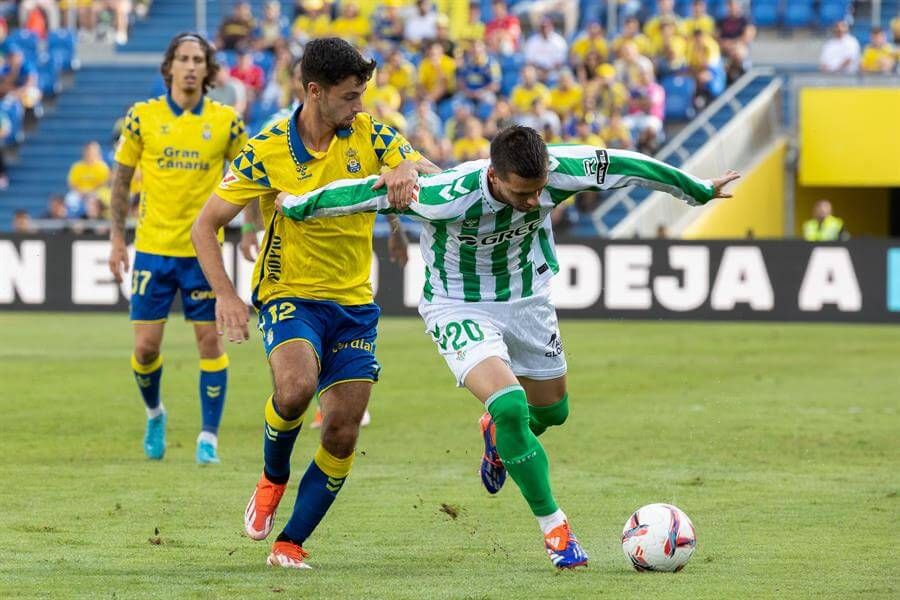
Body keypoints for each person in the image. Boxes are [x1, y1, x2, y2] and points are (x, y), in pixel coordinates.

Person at [271, 126, 740, 569]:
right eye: (522, 193)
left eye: (538, 191)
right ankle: (556, 531)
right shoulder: (443, 195)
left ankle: (496, 438)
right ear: (494, 176)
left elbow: (625, 165)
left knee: (553, 412)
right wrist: (295, 204)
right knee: (511, 405)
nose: (534, 200)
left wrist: (696, 189)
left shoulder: (558, 171)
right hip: (458, 306)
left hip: (529, 302)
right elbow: (360, 194)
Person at [191, 37, 439, 570]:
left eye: (362, 95)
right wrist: (226, 294)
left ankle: (290, 542)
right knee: (296, 389)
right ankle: (272, 477)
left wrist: (409, 168)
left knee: (343, 429)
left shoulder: (371, 133)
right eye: (350, 96)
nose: (359, 106)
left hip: (354, 304)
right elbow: (204, 225)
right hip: (289, 293)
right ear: (314, 91)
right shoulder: (267, 148)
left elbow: (433, 173)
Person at [107, 33, 248, 464]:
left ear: (208, 70)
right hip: (152, 248)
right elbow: (121, 180)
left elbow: (251, 177)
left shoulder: (226, 122)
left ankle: (209, 437)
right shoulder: (141, 117)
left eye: (198, 60)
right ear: (169, 66)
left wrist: (253, 228)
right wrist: (117, 238)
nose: (190, 66)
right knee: (145, 348)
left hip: (203, 254)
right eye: (183, 59)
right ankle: (155, 414)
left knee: (210, 344)